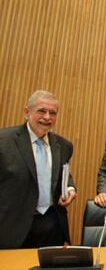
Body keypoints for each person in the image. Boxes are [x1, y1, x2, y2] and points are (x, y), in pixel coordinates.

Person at [0, 90, 77, 249]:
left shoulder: (64, 146)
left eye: (53, 113)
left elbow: (64, 173)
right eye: (42, 111)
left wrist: (69, 188)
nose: (47, 117)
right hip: (11, 227)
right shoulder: (4, 142)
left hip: (51, 226)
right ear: (27, 112)